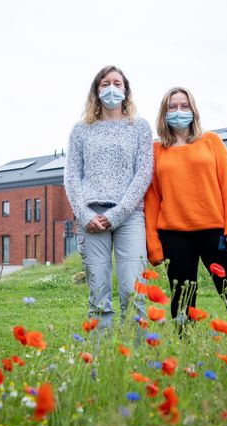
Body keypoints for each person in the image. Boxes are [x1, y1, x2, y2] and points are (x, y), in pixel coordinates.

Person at [144, 87, 227, 322]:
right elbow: (152, 200)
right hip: (175, 236)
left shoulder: (211, 141)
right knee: (182, 298)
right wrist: (153, 244)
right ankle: (184, 350)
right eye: (172, 107)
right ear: (164, 113)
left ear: (193, 111)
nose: (179, 111)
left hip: (217, 232)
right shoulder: (156, 151)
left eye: (184, 106)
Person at [64, 65, 153, 329]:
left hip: (130, 217)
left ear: (125, 91)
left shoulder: (139, 127)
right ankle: (103, 363)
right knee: (99, 295)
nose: (111, 88)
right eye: (105, 84)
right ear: (96, 90)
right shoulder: (81, 130)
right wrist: (84, 215)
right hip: (91, 219)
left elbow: (144, 173)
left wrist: (117, 214)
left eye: (117, 83)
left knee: (132, 290)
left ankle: (135, 361)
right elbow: (72, 176)